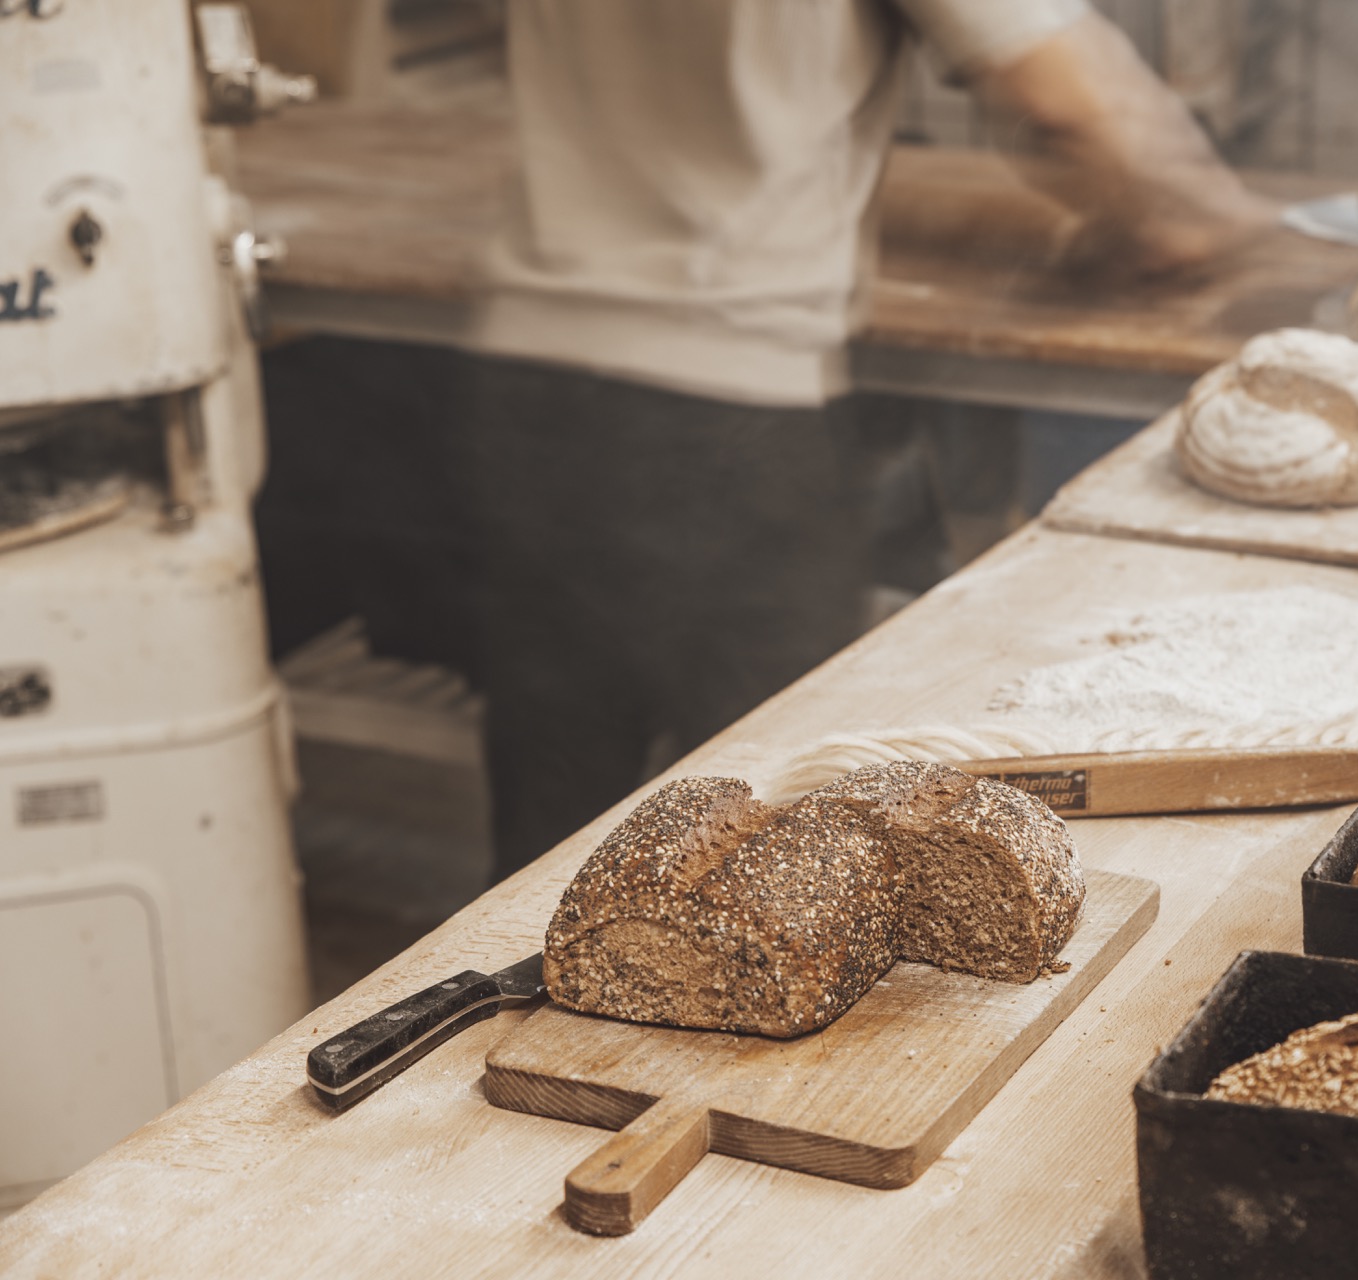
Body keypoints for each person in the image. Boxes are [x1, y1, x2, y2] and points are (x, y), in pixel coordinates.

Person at [464, 1, 1278, 879]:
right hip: (727, 398)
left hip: (525, 373)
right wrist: (1198, 215)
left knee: (554, 818)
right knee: (770, 844)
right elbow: (1072, 105)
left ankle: (501, 1001)